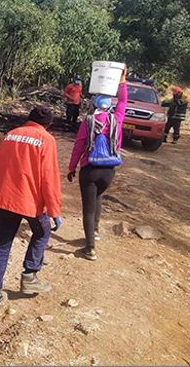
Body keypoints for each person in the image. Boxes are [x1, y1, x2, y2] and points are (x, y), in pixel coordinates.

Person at [0, 106, 62, 311]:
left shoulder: (11, 135)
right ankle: (29, 275)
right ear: (48, 125)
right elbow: (49, 178)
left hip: (5, 197)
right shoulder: (46, 140)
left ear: (28, 119)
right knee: (42, 231)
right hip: (29, 201)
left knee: (2, 244)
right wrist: (54, 210)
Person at [67, 72, 127, 261]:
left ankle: (90, 248)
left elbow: (78, 145)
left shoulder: (88, 121)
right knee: (99, 197)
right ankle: (96, 230)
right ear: (109, 105)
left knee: (88, 208)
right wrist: (123, 80)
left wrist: (71, 167)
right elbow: (124, 102)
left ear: (93, 104)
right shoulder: (116, 119)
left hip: (90, 169)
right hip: (109, 170)